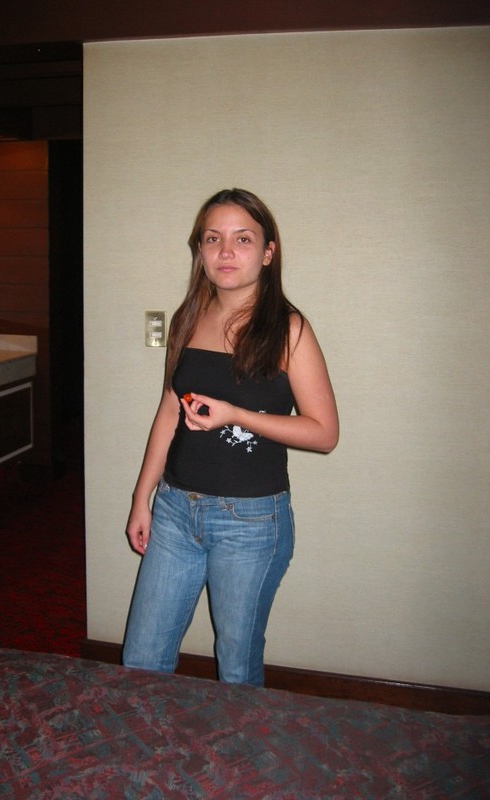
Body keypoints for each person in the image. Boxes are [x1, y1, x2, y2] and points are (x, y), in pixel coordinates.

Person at [122, 188, 339, 686]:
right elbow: (168, 412)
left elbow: (324, 432)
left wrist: (236, 415)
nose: (225, 251)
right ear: (199, 250)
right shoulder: (188, 318)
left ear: (268, 252)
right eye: (212, 238)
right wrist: (141, 498)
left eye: (243, 239)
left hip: (251, 520)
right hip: (175, 510)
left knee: (237, 668)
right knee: (141, 660)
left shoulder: (288, 330)